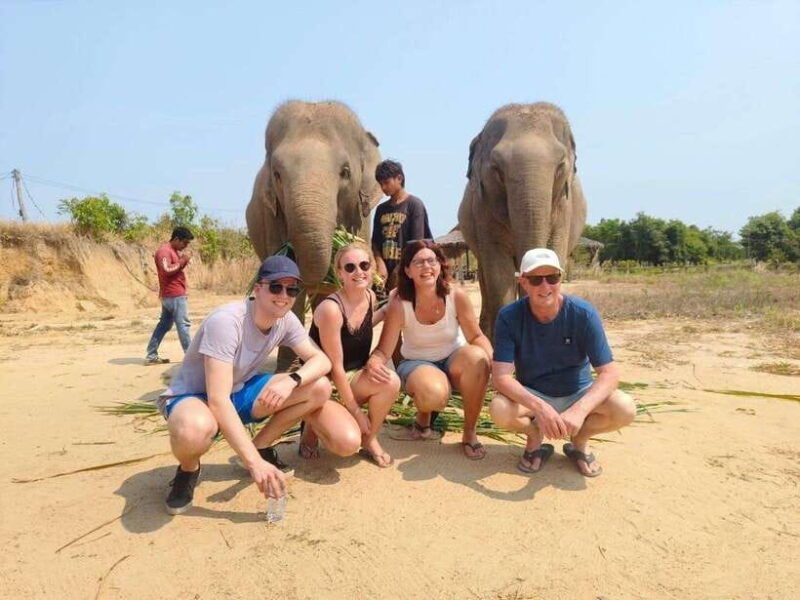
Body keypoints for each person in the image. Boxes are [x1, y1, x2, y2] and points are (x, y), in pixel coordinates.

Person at [156, 255, 361, 515]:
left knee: (319, 387)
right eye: (275, 287)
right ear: (257, 289)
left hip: (238, 390)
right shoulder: (227, 322)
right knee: (193, 431)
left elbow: (321, 361)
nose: (283, 295)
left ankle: (260, 445)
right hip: (196, 397)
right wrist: (254, 466)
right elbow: (217, 400)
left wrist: (291, 380)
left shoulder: (285, 319)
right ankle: (188, 469)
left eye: (291, 289)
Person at [489, 248, 636, 477]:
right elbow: (501, 377)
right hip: (534, 394)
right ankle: (535, 436)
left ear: (561, 278)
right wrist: (540, 408)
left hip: (579, 392)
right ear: (523, 283)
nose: (545, 287)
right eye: (536, 280)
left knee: (625, 408)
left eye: (552, 278)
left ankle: (580, 439)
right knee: (499, 409)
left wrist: (580, 411)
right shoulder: (509, 316)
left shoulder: (583, 314)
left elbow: (609, 373)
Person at [366, 240, 493, 460]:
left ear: (440, 265)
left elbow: (476, 337)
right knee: (434, 394)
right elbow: (383, 350)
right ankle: (424, 413)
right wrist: (374, 362)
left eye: (431, 260)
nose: (426, 266)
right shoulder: (400, 303)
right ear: (408, 270)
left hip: (454, 357)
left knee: (478, 359)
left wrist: (492, 362)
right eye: (418, 262)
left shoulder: (456, 295)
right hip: (417, 363)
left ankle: (469, 432)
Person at [302, 242, 400, 468]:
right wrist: (356, 412)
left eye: (364, 265)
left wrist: (387, 309)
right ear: (339, 273)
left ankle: (370, 439)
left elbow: (358, 330)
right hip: (325, 383)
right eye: (350, 267)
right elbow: (335, 367)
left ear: (372, 268)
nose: (359, 272)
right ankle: (311, 421)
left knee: (391, 382)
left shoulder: (370, 297)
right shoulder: (331, 310)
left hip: (352, 376)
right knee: (346, 444)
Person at [371, 160, 432, 290]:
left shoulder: (414, 205)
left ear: (399, 178)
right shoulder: (381, 209)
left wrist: (400, 271)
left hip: (408, 275)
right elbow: (375, 242)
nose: (383, 188)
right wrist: (380, 263)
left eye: (386, 182)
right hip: (384, 276)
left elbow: (416, 244)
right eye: (380, 184)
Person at [145, 227, 195, 365]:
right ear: (176, 239)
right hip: (174, 295)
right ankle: (191, 358)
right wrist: (183, 260)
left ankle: (151, 355)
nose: (185, 246)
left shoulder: (171, 251)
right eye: (184, 242)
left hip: (170, 294)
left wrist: (182, 260)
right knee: (183, 325)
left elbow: (173, 268)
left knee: (164, 325)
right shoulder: (164, 251)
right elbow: (167, 270)